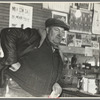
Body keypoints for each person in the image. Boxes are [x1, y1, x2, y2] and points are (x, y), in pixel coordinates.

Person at [0, 18, 69, 97]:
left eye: (63, 32)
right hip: (19, 88)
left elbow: (55, 73)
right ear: (47, 30)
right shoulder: (35, 37)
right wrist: (12, 61)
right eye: (56, 30)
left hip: (38, 94)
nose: (60, 34)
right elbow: (8, 33)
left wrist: (57, 83)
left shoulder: (57, 52)